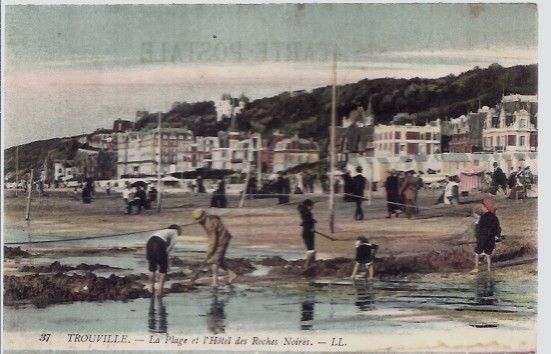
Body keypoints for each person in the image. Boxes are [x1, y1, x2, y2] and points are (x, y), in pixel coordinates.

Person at [192, 208, 237, 287]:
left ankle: (214, 281)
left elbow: (213, 239)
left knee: (214, 261)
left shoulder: (209, 224)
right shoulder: (208, 219)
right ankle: (231, 274)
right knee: (220, 260)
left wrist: (210, 250)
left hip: (222, 239)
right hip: (221, 237)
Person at [146, 224, 182, 296]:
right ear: (178, 230)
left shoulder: (163, 231)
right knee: (163, 269)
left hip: (150, 242)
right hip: (159, 243)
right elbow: (171, 245)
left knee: (152, 268)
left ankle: (151, 289)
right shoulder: (174, 232)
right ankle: (159, 291)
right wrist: (165, 258)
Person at [471, 199, 502, 273]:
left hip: (482, 237)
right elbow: (497, 228)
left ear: (486, 207)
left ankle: (476, 268)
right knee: (488, 254)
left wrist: (477, 235)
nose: (481, 208)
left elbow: (479, 228)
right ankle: (489, 269)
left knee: (477, 252)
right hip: (491, 238)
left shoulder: (483, 217)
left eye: (483, 206)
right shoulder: (495, 218)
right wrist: (498, 236)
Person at [297, 199, 317, 270]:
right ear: (308, 206)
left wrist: (312, 220)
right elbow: (306, 222)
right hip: (308, 232)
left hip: (306, 233)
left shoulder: (304, 212)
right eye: (311, 206)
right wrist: (311, 228)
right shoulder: (307, 213)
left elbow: (306, 221)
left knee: (311, 249)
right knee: (311, 251)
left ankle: (312, 263)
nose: (312, 207)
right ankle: (306, 266)